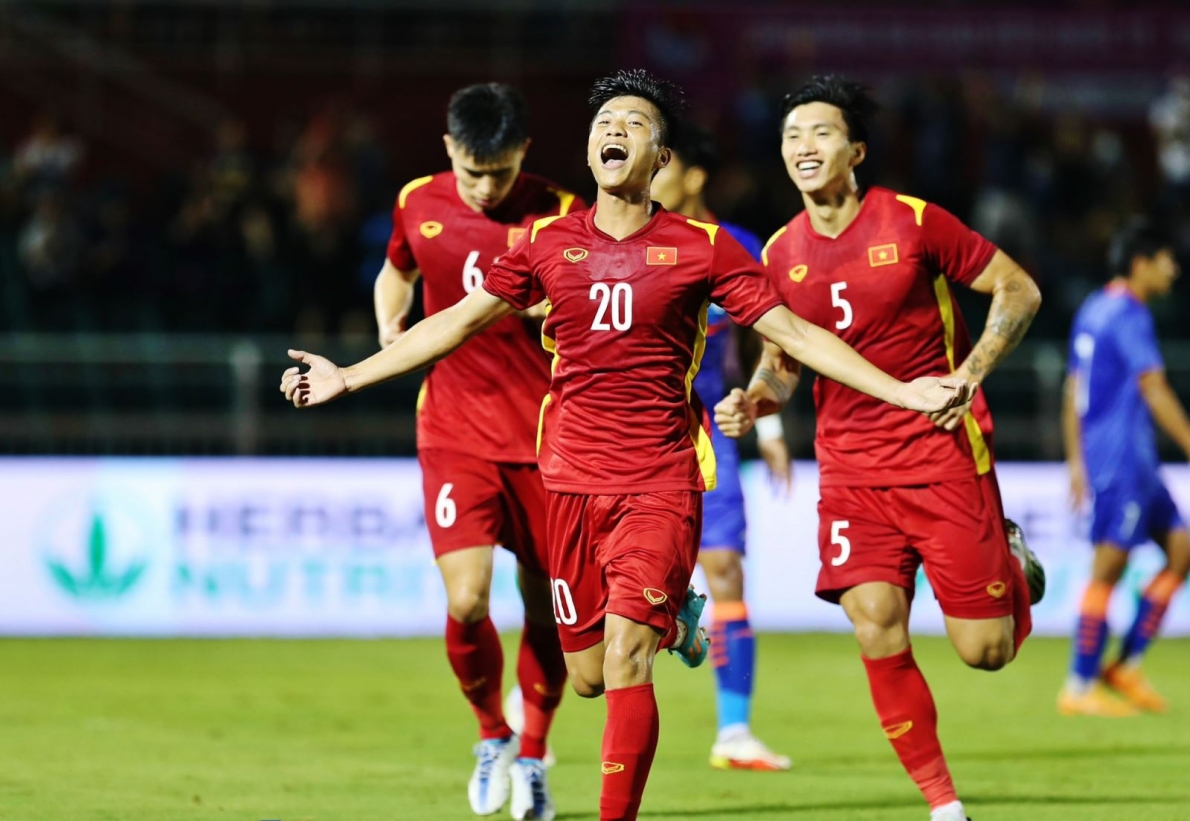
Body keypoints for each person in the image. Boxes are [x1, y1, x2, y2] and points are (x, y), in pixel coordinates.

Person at [281, 69, 972, 821]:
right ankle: (674, 616)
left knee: (624, 658)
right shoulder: (547, 243)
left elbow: (796, 334)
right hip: (569, 483)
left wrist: (903, 390)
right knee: (586, 676)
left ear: (661, 157)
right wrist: (349, 374)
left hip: (659, 481)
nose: (614, 129)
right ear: (588, 147)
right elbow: (456, 321)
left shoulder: (703, 248)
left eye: (634, 123)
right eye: (604, 121)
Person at [714, 75, 1045, 821]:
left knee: (986, 652)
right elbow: (781, 364)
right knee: (874, 623)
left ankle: (1008, 557)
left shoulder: (915, 222)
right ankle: (943, 805)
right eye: (791, 136)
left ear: (856, 151)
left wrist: (968, 374)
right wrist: (754, 400)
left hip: (940, 452)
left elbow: (1018, 289)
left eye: (821, 133)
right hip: (851, 470)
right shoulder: (779, 251)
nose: (803, 147)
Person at [374, 82, 584, 820]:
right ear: (449, 149)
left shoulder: (563, 215)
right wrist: (391, 323)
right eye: (472, 172)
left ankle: (534, 753)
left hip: (547, 439)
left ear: (523, 151)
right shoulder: (417, 201)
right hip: (455, 429)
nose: (485, 188)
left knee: (547, 607)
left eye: (499, 173)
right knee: (466, 599)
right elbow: (398, 269)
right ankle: (493, 734)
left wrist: (549, 305)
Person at [649, 121, 792, 771]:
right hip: (637, 427)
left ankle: (734, 732)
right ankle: (532, 705)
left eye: (664, 165)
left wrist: (770, 425)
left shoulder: (736, 246)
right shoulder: (632, 241)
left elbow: (769, 337)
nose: (651, 177)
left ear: (695, 176)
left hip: (712, 425)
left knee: (727, 568)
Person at [1059, 219, 1190, 716]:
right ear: (1141, 264)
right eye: (1167, 260)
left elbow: (1073, 389)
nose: (1174, 270)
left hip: (1133, 460)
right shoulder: (1130, 314)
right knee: (1108, 568)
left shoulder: (1094, 307)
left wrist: (1076, 461)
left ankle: (1126, 665)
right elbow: (1153, 387)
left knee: (1180, 550)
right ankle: (1079, 685)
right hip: (1122, 461)